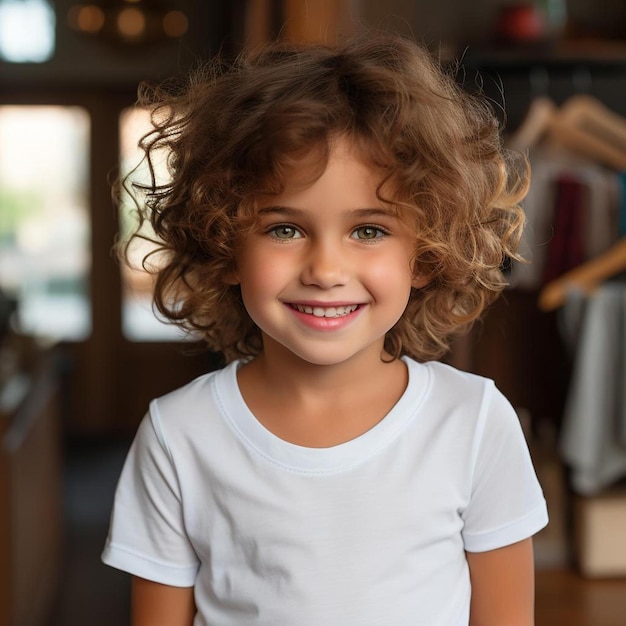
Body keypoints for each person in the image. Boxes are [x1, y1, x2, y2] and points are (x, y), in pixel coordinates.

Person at [102, 32, 548, 626]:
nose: (326, 271)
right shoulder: (179, 436)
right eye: (285, 229)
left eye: (368, 230)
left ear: (425, 253)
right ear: (225, 243)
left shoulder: (473, 423)